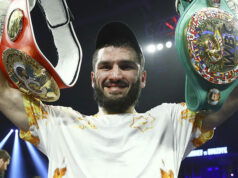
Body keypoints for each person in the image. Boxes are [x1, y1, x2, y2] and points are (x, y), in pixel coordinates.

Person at [0, 15, 238, 178]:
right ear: (93, 78)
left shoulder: (171, 122)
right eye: (106, 66)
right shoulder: (61, 125)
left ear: (143, 77)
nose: (115, 74)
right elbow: (3, 94)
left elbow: (229, 100)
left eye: (126, 66)